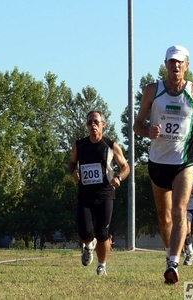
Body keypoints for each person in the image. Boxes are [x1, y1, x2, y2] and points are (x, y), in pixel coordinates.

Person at [133, 45, 193, 284]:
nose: (175, 66)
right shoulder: (152, 91)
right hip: (158, 162)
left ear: (187, 65)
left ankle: (173, 264)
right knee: (163, 216)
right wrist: (148, 131)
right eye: (171, 62)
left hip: (184, 162)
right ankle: (173, 251)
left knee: (179, 211)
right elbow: (136, 125)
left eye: (180, 62)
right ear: (165, 64)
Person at [69, 110, 130, 275]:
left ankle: (102, 265)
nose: (93, 125)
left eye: (96, 122)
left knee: (103, 232)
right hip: (85, 194)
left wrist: (119, 178)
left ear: (103, 124)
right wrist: (74, 172)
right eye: (89, 122)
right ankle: (88, 245)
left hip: (105, 194)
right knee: (84, 231)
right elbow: (72, 163)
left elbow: (126, 167)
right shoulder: (79, 145)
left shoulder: (111, 146)